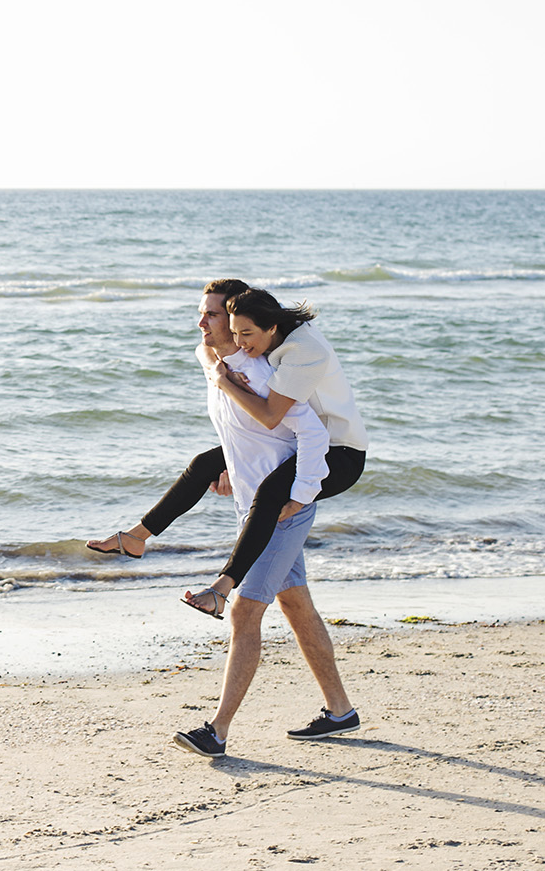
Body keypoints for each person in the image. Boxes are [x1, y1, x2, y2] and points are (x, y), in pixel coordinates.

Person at [160, 292, 360, 756]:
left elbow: (296, 427)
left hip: (317, 470)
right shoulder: (243, 356)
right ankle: (341, 711)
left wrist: (300, 494)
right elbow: (250, 429)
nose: (206, 324)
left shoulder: (287, 356)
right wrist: (232, 463)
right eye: (207, 315)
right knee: (295, 603)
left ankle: (217, 731)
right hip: (286, 474)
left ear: (257, 326)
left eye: (216, 316)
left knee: (245, 610)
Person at [87, 283, 368, 607]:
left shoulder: (301, 351)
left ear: (266, 326)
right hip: (294, 444)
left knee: (270, 495)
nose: (238, 340)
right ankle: (137, 537)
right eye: (235, 332)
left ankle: (222, 588)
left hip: (337, 451)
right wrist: (218, 372)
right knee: (204, 465)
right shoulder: (254, 339)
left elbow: (272, 416)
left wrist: (224, 382)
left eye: (242, 332)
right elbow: (208, 350)